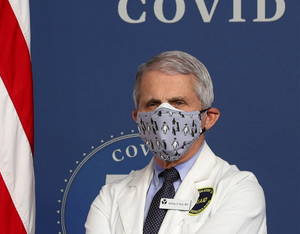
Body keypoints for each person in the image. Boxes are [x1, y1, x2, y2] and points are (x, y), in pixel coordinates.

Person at [85, 51, 267, 234]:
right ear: (137, 118)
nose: (164, 115)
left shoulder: (239, 189)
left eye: (178, 102)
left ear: (208, 118)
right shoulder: (110, 197)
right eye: (152, 104)